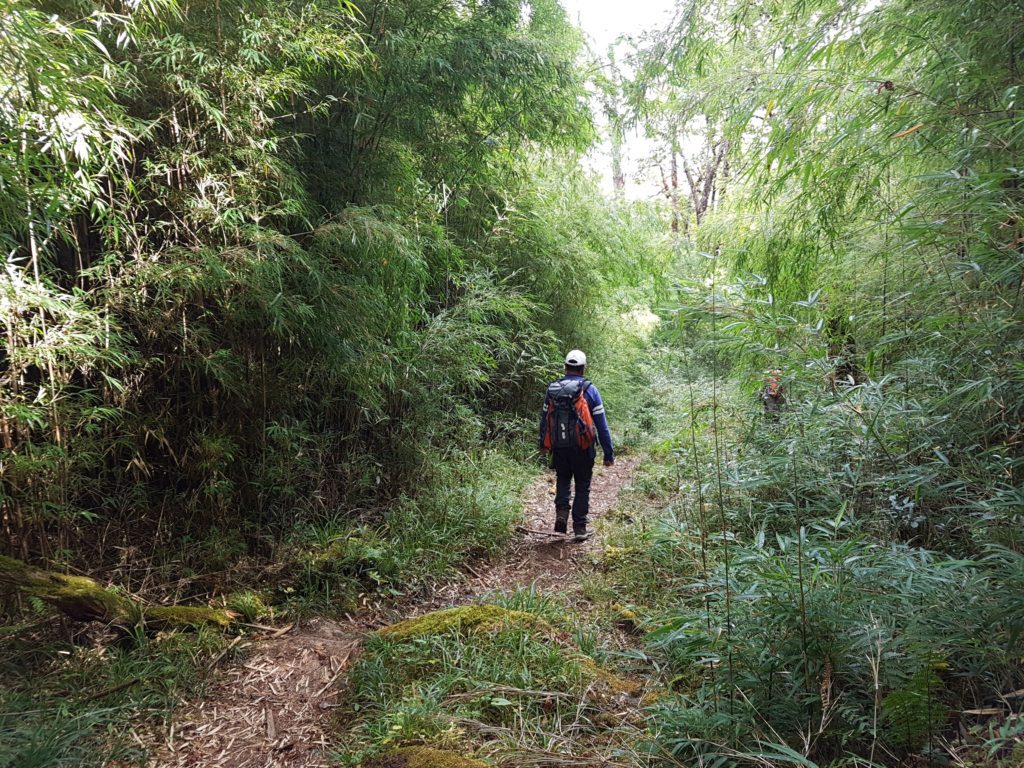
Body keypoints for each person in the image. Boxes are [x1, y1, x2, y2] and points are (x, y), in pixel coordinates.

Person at [538, 350, 614, 541]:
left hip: (559, 446)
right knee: (582, 485)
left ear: (565, 367)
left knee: (563, 479)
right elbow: (601, 425)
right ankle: (579, 528)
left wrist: (543, 443)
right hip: (583, 447)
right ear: (583, 368)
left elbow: (544, 419)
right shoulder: (590, 389)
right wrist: (608, 453)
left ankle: (561, 516)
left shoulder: (553, 389)